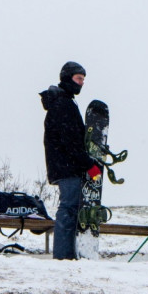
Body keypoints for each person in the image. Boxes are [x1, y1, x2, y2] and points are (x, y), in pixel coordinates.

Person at [40, 61, 101, 260]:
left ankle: (66, 253)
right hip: (66, 166)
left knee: (70, 207)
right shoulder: (63, 103)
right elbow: (71, 141)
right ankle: (62, 255)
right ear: (67, 78)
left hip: (65, 165)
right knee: (68, 208)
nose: (81, 83)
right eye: (78, 78)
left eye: (83, 79)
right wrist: (89, 164)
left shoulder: (64, 101)